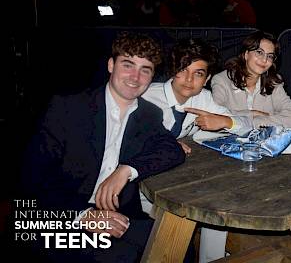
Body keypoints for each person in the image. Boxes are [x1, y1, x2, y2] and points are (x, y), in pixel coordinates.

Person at [20, 32, 185, 263]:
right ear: (111, 65)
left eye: (145, 70)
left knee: (177, 244)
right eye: (128, 65)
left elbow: (172, 149)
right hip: (59, 216)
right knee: (119, 256)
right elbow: (32, 181)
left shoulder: (149, 114)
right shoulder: (68, 108)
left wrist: (126, 170)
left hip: (120, 214)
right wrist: (84, 216)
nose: (135, 77)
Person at [141, 38, 253, 263]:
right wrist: (163, 143)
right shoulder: (147, 96)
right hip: (145, 187)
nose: (189, 79)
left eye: (198, 73)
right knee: (182, 222)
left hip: (184, 180)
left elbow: (246, 126)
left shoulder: (204, 98)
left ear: (207, 78)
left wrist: (224, 121)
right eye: (183, 70)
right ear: (173, 70)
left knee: (217, 208)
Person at [211, 30, 291, 128]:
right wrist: (252, 113)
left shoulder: (273, 82)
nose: (264, 60)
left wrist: (256, 121)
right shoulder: (222, 80)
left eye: (270, 56)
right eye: (259, 52)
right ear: (246, 54)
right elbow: (215, 116)